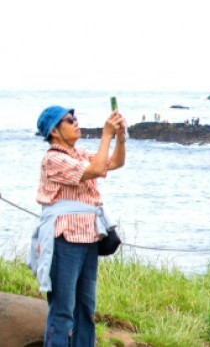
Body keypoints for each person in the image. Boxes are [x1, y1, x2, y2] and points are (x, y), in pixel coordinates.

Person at [28, 105, 126, 347]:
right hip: (64, 239)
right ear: (54, 131)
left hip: (89, 238)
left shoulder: (78, 154)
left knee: (86, 310)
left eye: (75, 118)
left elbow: (113, 163)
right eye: (69, 120)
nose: (76, 122)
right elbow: (94, 170)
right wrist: (106, 134)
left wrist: (120, 137)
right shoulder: (53, 159)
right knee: (62, 309)